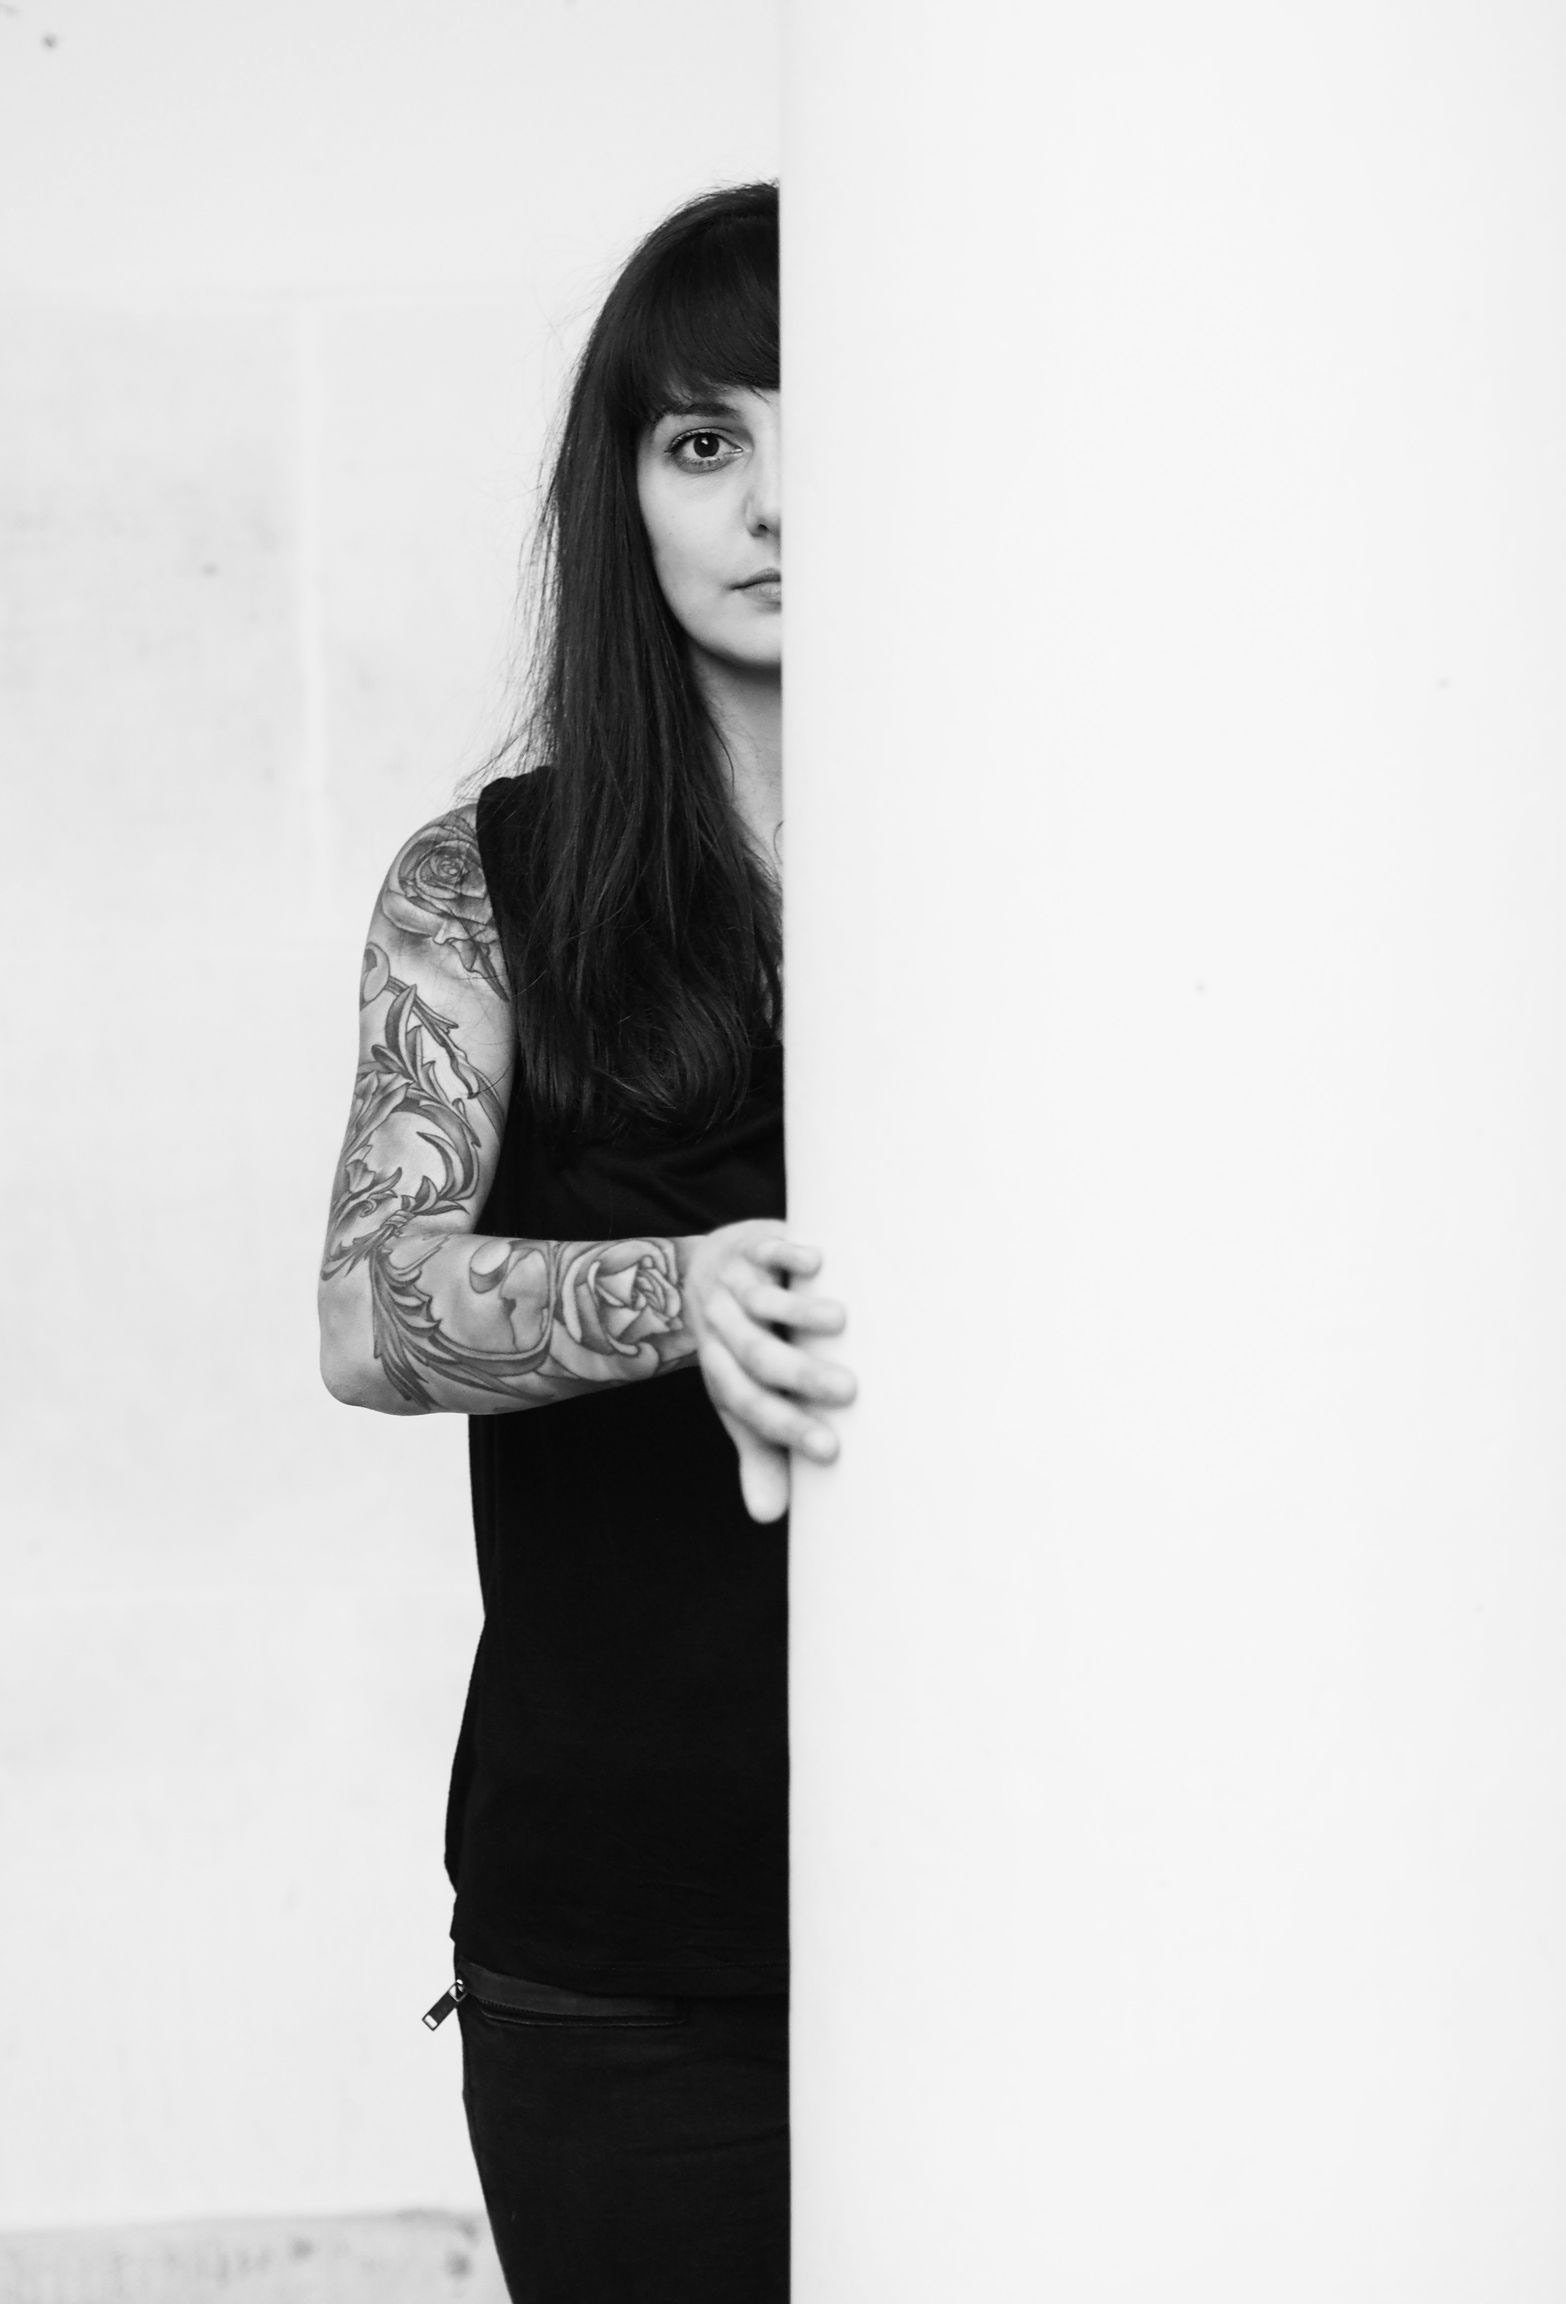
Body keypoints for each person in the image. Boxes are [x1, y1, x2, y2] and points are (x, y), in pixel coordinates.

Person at [316, 181, 852, 2303]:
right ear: (623, 494)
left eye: (838, 430)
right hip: (630, 1955)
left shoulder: (1093, 875)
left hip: (1052, 1883)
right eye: (706, 440)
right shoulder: (487, 884)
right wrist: (674, 1287)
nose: (774, 505)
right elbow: (368, 1308)